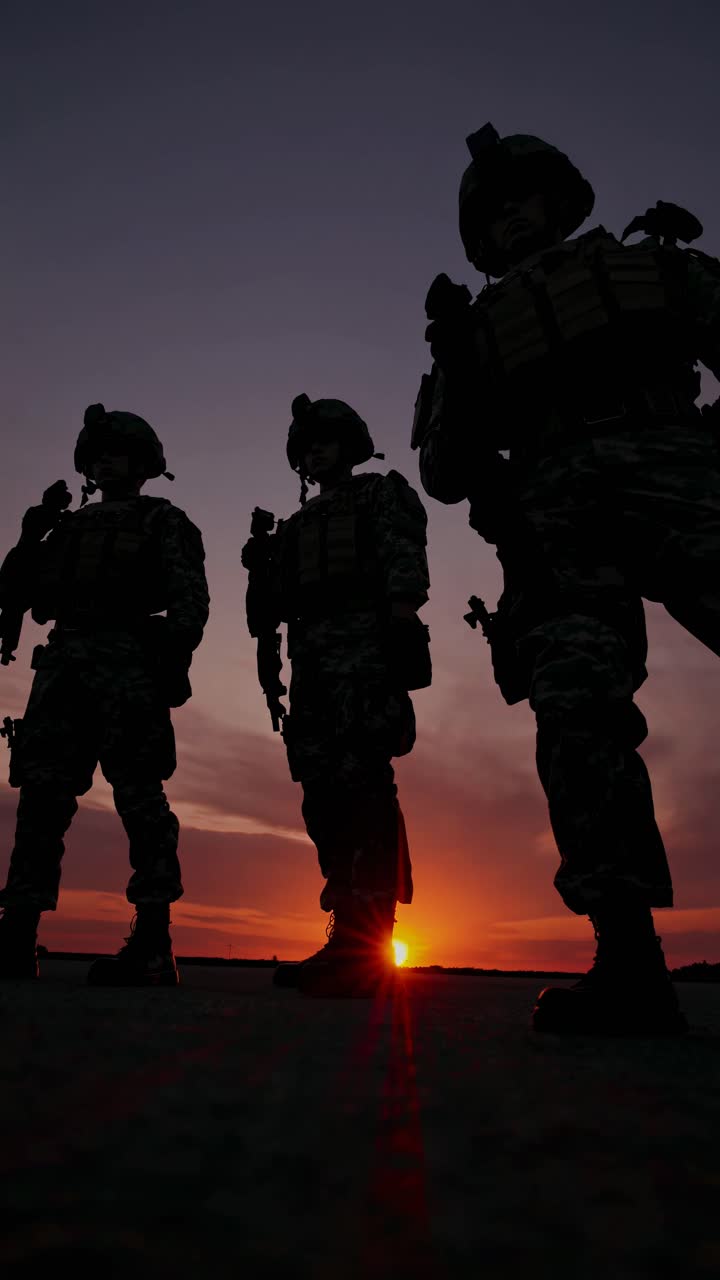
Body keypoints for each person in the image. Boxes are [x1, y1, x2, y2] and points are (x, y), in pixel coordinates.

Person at [413, 121, 720, 1035]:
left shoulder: (651, 266)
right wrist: (459, 377)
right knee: (574, 712)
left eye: (523, 202)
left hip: (676, 467)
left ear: (560, 199)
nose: (512, 222)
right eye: (494, 215)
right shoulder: (467, 332)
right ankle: (629, 960)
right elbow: (442, 469)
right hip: (554, 519)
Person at [0, 403, 209, 985]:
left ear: (143, 464)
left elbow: (190, 601)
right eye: (96, 455)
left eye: (117, 453)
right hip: (63, 667)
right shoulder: (64, 527)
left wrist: (168, 660)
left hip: (129, 668)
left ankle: (151, 938)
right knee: (42, 798)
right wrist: (28, 534)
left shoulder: (162, 520)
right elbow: (16, 592)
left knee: (140, 799)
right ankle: (17, 932)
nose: (106, 462)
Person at [243, 394, 430, 996]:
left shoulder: (379, 494)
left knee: (365, 785)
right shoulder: (294, 527)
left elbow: (404, 555)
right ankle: (345, 927)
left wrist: (402, 623)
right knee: (321, 793)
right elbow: (273, 609)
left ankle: (370, 940)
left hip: (365, 654)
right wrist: (260, 570)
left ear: (350, 446)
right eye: (307, 446)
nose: (316, 452)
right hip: (312, 667)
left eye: (326, 441)